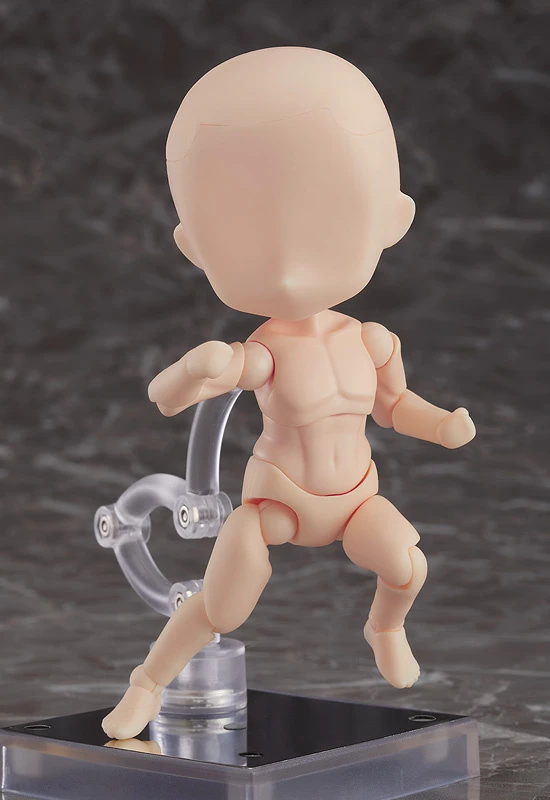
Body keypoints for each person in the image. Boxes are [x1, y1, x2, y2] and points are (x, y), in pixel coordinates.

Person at [102, 46, 475, 740]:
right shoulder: (263, 352)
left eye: (328, 218)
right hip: (277, 505)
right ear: (195, 246)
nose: (287, 266)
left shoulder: (372, 341)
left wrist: (442, 425)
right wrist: (193, 368)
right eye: (240, 233)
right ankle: (148, 682)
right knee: (222, 605)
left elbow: (395, 406)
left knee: (406, 565)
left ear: (392, 218)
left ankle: (384, 627)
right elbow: (168, 398)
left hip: (355, 498)